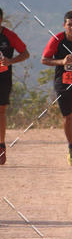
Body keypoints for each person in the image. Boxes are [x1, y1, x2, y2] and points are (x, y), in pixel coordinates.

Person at [0, 8, 29, 165]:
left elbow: (25, 54)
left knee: (0, 111)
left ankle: (1, 144)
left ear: (1, 19)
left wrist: (10, 61)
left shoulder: (10, 36)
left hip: (4, 78)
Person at [41, 10, 72, 165]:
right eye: (70, 25)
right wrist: (61, 62)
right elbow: (44, 59)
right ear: (64, 25)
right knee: (68, 117)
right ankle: (71, 147)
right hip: (63, 82)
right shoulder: (57, 39)